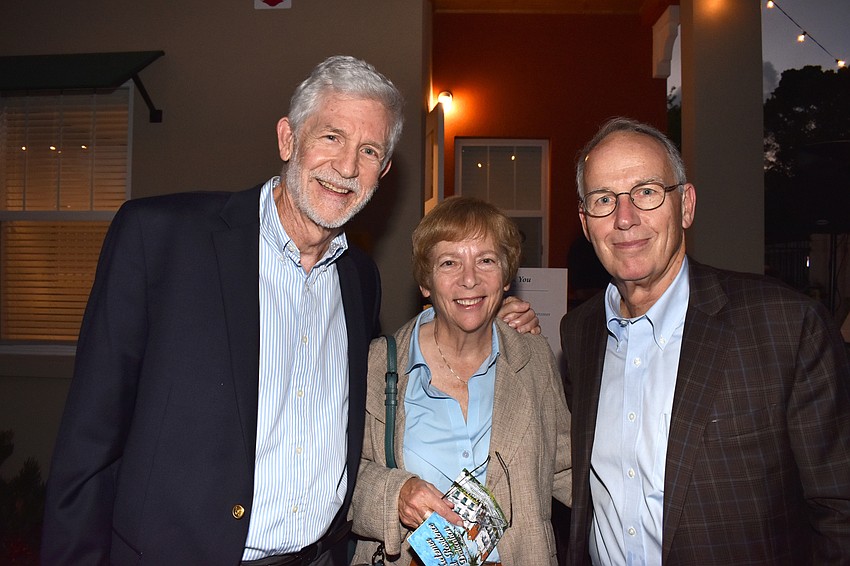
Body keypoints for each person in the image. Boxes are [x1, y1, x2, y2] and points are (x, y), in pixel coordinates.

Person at [40, 56, 539, 566]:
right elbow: (88, 445)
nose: (346, 167)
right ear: (288, 139)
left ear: (383, 172)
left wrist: (483, 314)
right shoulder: (161, 239)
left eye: (368, 150)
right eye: (331, 137)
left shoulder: (359, 280)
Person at [560, 116, 850, 565]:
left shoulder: (785, 325)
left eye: (647, 192)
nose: (624, 218)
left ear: (686, 205)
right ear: (585, 222)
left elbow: (839, 508)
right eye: (603, 199)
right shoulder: (579, 332)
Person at [349, 196, 572, 565]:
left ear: (506, 278)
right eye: (449, 262)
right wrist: (395, 494)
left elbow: (565, 467)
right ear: (425, 282)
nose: (469, 279)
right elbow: (336, 475)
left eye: (486, 260)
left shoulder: (534, 360)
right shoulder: (376, 365)